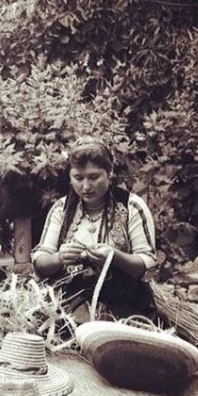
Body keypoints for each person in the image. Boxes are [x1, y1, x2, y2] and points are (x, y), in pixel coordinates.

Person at [32, 136, 157, 321]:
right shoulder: (61, 209)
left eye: (94, 177)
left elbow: (148, 266)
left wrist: (114, 256)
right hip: (68, 302)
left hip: (123, 303)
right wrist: (58, 258)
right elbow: (40, 261)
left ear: (110, 173)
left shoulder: (132, 206)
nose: (86, 186)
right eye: (78, 178)